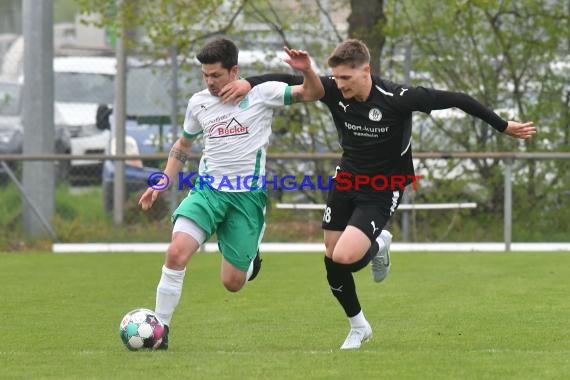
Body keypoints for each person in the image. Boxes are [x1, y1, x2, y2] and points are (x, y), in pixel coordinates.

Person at [219, 39, 537, 349]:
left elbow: (457, 98)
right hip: (346, 181)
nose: (339, 84)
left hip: (383, 188)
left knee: (345, 257)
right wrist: (249, 83)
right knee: (331, 256)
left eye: (346, 77)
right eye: (337, 77)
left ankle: (379, 241)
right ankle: (359, 327)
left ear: (366, 70)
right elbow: (286, 79)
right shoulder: (332, 89)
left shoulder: (398, 97)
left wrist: (502, 125)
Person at [138, 38, 324, 349]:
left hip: (246, 199)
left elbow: (313, 93)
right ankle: (160, 331)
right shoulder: (198, 103)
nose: (209, 82)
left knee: (233, 283)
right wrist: (161, 183)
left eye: (216, 75)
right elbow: (183, 147)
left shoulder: (262, 94)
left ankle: (250, 259)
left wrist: (308, 71)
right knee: (175, 254)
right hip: (208, 192)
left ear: (234, 71)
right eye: (205, 75)